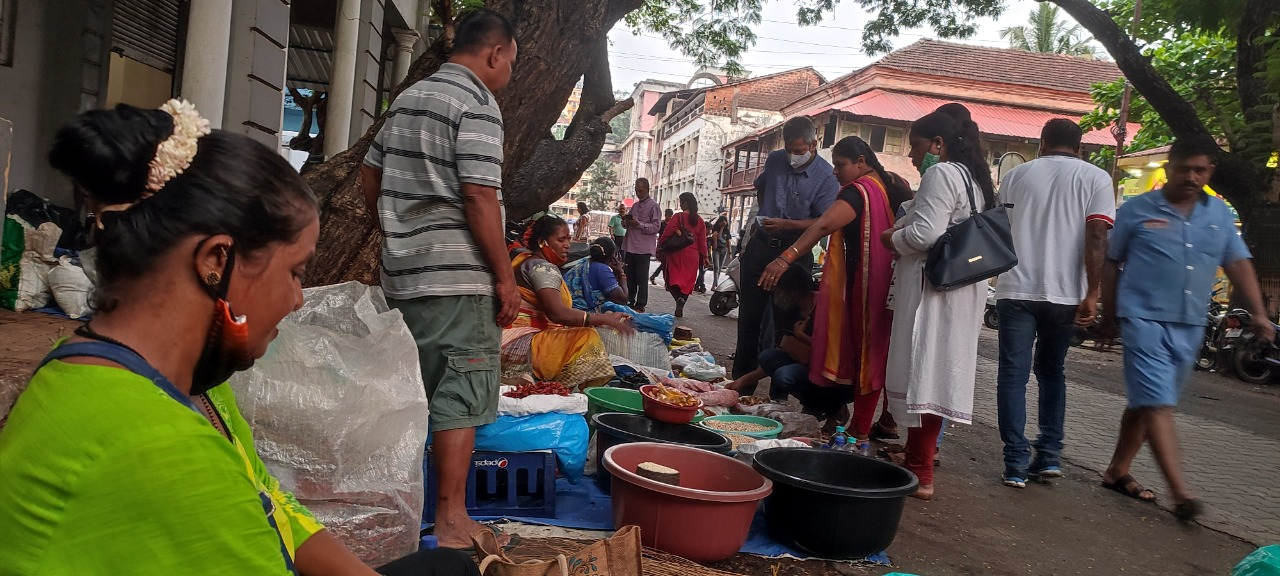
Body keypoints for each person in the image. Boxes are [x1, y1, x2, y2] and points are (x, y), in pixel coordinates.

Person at [0, 101, 478, 574]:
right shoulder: (163, 449)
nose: (298, 300)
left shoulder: (141, 376)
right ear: (216, 261)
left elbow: (270, 503)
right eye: (295, 272)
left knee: (446, 568)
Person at [360, 9, 518, 549]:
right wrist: (505, 278)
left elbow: (370, 175)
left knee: (413, 393)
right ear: (495, 53)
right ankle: (451, 521)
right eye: (511, 63)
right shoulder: (476, 103)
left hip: (404, 276)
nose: (509, 74)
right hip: (457, 279)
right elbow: (479, 194)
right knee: (459, 392)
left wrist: (397, 230)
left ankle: (401, 516)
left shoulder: (408, 98)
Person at [1098, 138, 1274, 521]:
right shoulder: (1137, 209)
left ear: (1210, 171)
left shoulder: (1220, 215)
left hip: (1190, 323)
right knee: (1158, 402)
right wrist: (1108, 312)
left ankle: (1117, 470)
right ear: (1168, 167)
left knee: (1147, 401)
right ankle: (1182, 493)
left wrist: (1259, 314)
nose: (1193, 177)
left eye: (1201, 170)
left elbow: (1238, 262)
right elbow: (1112, 260)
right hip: (1141, 317)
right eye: (1185, 169)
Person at [759, 136, 906, 449]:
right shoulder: (888, 185)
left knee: (867, 354)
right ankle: (862, 422)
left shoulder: (860, 191)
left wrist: (785, 258)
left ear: (862, 162)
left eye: (840, 165)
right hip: (885, 283)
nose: (835, 172)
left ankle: (860, 428)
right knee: (875, 354)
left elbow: (824, 225)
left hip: (866, 288)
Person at [878, 107, 994, 501]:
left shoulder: (942, 173)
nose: (913, 155)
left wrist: (891, 238)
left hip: (934, 289)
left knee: (922, 370)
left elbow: (926, 233)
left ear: (938, 144)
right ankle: (918, 462)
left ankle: (921, 471)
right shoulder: (976, 181)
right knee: (936, 373)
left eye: (917, 146)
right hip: (963, 289)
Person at [994, 119, 1117, 488]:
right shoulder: (1097, 178)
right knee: (1051, 373)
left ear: (1042, 141)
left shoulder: (1016, 176)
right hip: (1067, 294)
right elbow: (1097, 235)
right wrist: (1093, 292)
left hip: (1016, 288)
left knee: (1012, 376)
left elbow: (1000, 229)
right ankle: (1048, 455)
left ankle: (1015, 464)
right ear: (1080, 146)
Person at [732, 117, 840, 389]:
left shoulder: (827, 178)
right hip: (761, 248)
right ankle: (740, 388)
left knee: (785, 328)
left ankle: (779, 395)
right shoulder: (775, 160)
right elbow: (762, 188)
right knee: (749, 322)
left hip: (795, 255)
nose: (792, 156)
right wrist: (764, 221)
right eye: (789, 149)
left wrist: (787, 225)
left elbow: (823, 224)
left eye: (799, 150)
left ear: (813, 145)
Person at [502, 216, 635, 389]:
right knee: (587, 337)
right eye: (561, 239)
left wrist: (603, 319)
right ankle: (572, 391)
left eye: (569, 239)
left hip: (511, 338)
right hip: (520, 343)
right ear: (542, 242)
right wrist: (605, 320)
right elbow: (557, 313)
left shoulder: (527, 260)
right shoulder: (541, 267)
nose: (567, 245)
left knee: (587, 330)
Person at [657, 192, 710, 317]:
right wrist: (705, 256)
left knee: (672, 281)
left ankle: (678, 299)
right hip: (693, 256)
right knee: (687, 283)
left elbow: (666, 233)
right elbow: (702, 242)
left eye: (681, 202)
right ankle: (682, 301)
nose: (680, 205)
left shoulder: (678, 217)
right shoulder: (700, 221)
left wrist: (660, 246)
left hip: (676, 253)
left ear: (685, 203)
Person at [622, 178, 661, 312]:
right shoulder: (635, 206)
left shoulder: (654, 206)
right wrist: (626, 221)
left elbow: (656, 227)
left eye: (641, 190)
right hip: (630, 245)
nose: (639, 193)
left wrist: (638, 224)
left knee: (642, 277)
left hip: (643, 248)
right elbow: (629, 224)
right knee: (630, 276)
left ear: (647, 189)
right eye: (637, 190)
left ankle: (641, 304)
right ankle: (629, 300)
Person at [564, 236, 629, 313]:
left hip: (567, 308)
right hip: (580, 313)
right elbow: (623, 300)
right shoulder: (601, 270)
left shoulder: (584, 262)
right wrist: (621, 274)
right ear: (612, 256)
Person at [649, 208, 675, 285]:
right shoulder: (662, 224)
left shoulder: (672, 225)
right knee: (664, 263)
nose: (669, 217)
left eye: (671, 216)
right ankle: (663, 280)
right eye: (668, 216)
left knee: (665, 264)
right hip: (663, 246)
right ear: (666, 215)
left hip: (669, 245)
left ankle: (658, 278)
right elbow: (658, 233)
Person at [710, 214, 731, 288]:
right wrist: (721, 228)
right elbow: (718, 238)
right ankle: (716, 284)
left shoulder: (727, 230)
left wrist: (730, 252)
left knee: (720, 267)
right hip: (716, 250)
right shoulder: (715, 230)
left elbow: (728, 241)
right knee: (716, 267)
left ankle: (714, 284)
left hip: (723, 250)